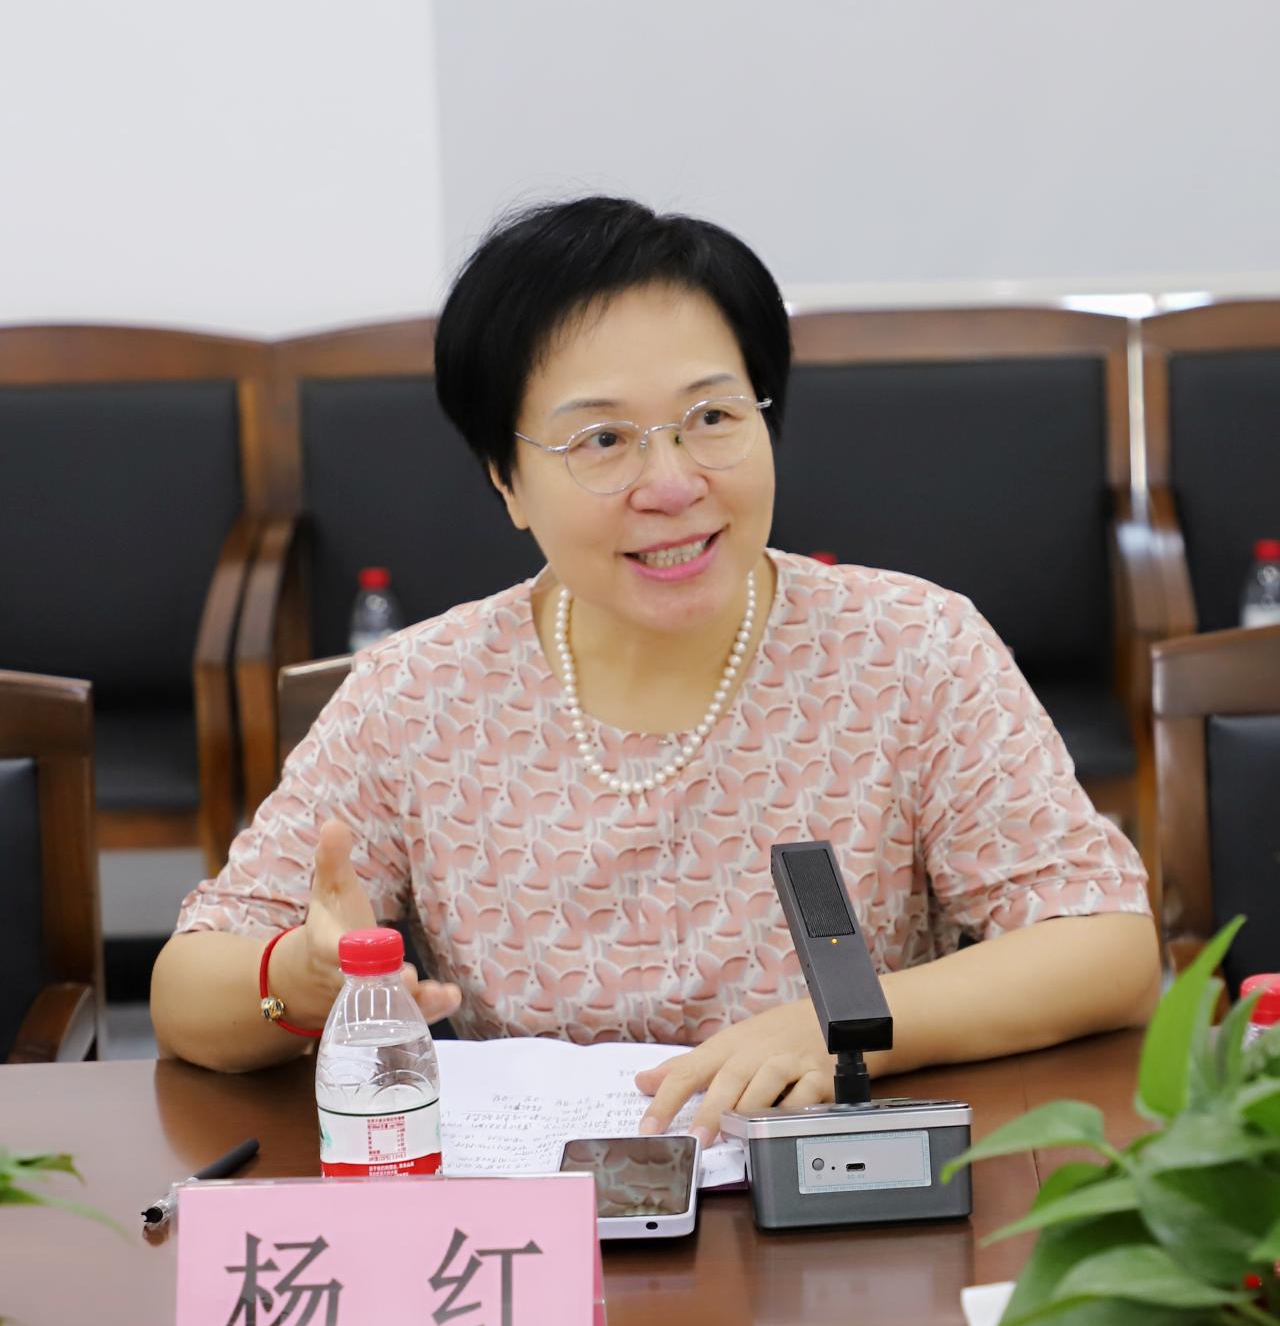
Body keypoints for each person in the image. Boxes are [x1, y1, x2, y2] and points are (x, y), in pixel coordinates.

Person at [151, 196, 1159, 1142]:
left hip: (842, 1200)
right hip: (548, 1219)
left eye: (713, 418)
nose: (672, 482)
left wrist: (845, 1023)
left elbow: (1106, 944)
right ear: (507, 481)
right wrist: (297, 980)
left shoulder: (910, 648)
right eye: (602, 439)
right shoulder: (420, 693)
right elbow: (187, 991)